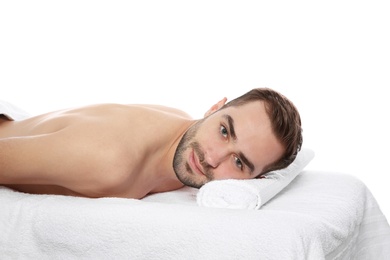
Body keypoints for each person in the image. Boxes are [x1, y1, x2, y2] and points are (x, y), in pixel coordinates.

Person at [0, 88, 302, 199]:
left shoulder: (180, 125)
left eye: (239, 162)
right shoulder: (110, 161)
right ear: (214, 108)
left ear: (255, 180)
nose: (213, 158)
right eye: (224, 131)